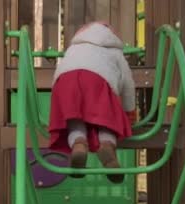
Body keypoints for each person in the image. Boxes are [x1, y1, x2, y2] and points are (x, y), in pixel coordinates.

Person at [48, 21, 137, 183]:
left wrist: (59, 99)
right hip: (97, 81)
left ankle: (78, 144)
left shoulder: (74, 48)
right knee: (106, 122)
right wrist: (129, 111)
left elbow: (58, 73)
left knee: (74, 120)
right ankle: (107, 146)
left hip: (65, 82)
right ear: (112, 36)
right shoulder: (114, 51)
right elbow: (128, 85)